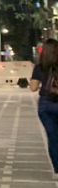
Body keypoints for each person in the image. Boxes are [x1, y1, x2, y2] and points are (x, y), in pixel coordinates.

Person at [29, 38, 58, 175]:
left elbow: (33, 88)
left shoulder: (40, 67)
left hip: (46, 105)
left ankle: (57, 167)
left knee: (53, 137)